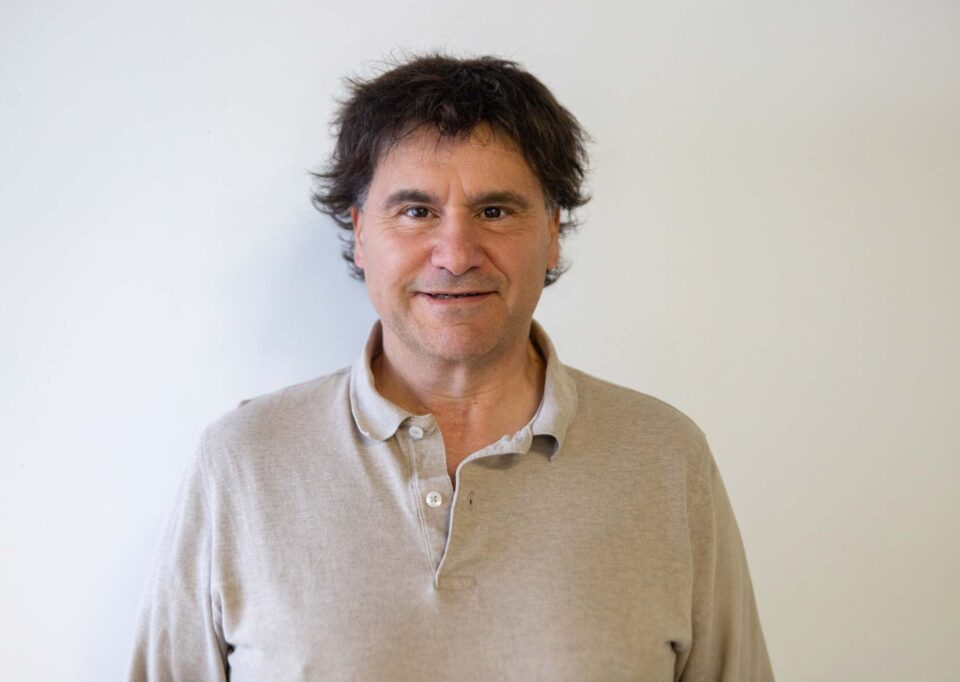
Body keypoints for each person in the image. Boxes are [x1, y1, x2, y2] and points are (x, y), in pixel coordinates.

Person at [128, 54, 773, 681]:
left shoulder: (666, 459)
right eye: (417, 212)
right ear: (360, 232)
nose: (456, 254)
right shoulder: (242, 462)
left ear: (552, 234)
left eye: (495, 211)